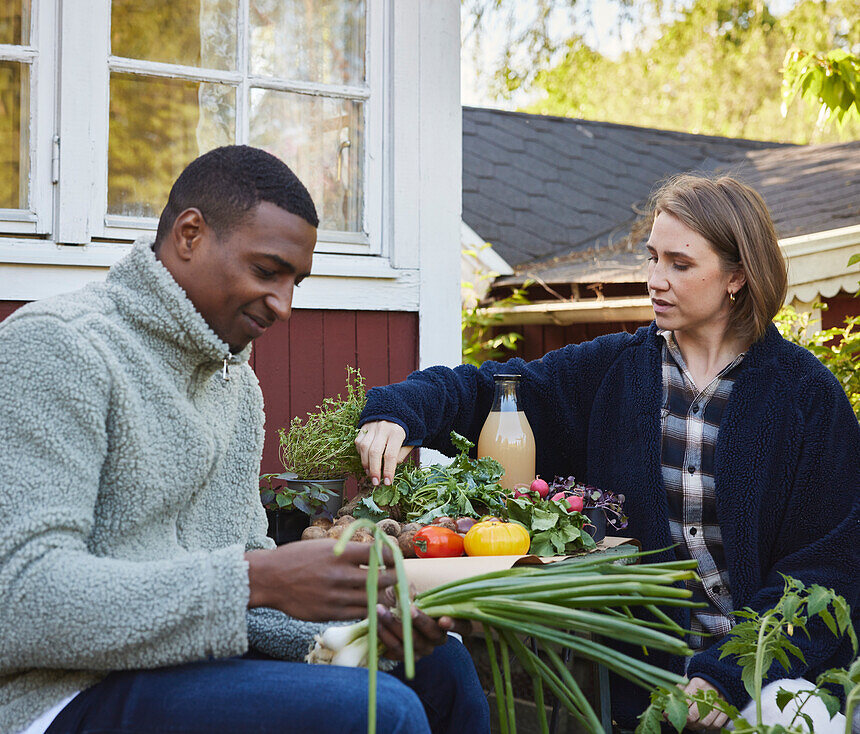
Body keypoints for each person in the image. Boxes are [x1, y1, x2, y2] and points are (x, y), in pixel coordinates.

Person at [0, 145, 489, 734]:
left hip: (178, 668)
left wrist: (358, 624)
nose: (285, 306)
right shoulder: (55, 350)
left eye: (296, 281)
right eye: (267, 271)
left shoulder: (234, 384)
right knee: (379, 713)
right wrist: (260, 578)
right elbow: (19, 607)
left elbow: (246, 583)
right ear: (190, 234)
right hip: (35, 701)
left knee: (437, 668)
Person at [356, 174, 860, 731]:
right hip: (638, 673)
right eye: (652, 258)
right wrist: (398, 411)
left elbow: (827, 569)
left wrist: (724, 677)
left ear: (737, 275)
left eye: (680, 264)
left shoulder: (805, 397)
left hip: (770, 674)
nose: (655, 280)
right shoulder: (614, 372)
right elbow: (489, 388)